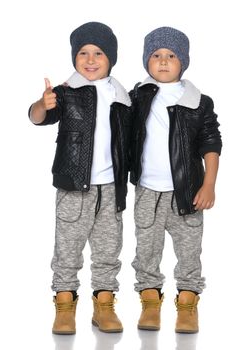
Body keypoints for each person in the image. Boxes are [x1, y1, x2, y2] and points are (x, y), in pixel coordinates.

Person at [29, 21, 131, 335]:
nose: (90, 59)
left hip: (111, 188)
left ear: (110, 58)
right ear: (74, 57)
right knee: (67, 249)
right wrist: (41, 105)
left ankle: (103, 305)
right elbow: (38, 118)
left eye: (98, 53)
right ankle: (64, 306)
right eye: (83, 53)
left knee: (107, 249)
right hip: (74, 185)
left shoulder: (122, 96)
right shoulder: (65, 92)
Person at [129, 26, 222, 333]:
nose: (164, 61)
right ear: (147, 62)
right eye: (156, 55)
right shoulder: (136, 97)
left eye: (171, 55)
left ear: (183, 61)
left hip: (187, 191)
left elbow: (211, 143)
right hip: (147, 191)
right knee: (146, 250)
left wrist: (208, 184)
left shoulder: (198, 101)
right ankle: (150, 300)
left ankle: (187, 302)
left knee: (189, 251)